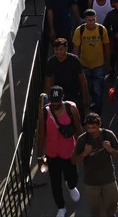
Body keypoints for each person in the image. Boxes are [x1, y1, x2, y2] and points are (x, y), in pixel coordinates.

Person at [37, 86, 83, 217]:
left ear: (63, 98)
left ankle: (71, 186)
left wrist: (83, 147)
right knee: (55, 182)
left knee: (73, 177)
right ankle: (61, 207)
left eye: (57, 101)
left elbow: (78, 128)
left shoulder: (71, 108)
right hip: (52, 153)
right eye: (53, 101)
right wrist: (39, 156)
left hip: (69, 151)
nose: (55, 104)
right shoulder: (44, 112)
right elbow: (41, 134)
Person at [72, 112, 118, 217]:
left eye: (94, 127)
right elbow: (74, 160)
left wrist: (111, 149)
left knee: (113, 204)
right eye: (89, 128)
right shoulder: (82, 139)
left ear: (99, 125)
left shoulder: (108, 135)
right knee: (96, 210)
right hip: (91, 183)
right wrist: (85, 153)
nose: (91, 131)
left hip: (108, 179)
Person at [72, 9, 110, 115]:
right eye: (89, 20)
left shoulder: (102, 29)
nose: (92, 22)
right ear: (85, 20)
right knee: (89, 87)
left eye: (93, 20)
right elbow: (76, 48)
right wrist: (75, 65)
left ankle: (98, 113)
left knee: (98, 89)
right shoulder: (79, 30)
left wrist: (108, 63)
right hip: (84, 65)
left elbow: (106, 46)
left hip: (99, 65)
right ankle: (94, 102)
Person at [44, 37, 89, 113]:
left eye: (61, 49)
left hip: (75, 93)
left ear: (66, 49)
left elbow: (82, 79)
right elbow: (48, 81)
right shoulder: (51, 62)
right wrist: (48, 99)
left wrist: (85, 97)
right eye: (56, 50)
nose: (58, 52)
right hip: (60, 95)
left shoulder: (74, 60)